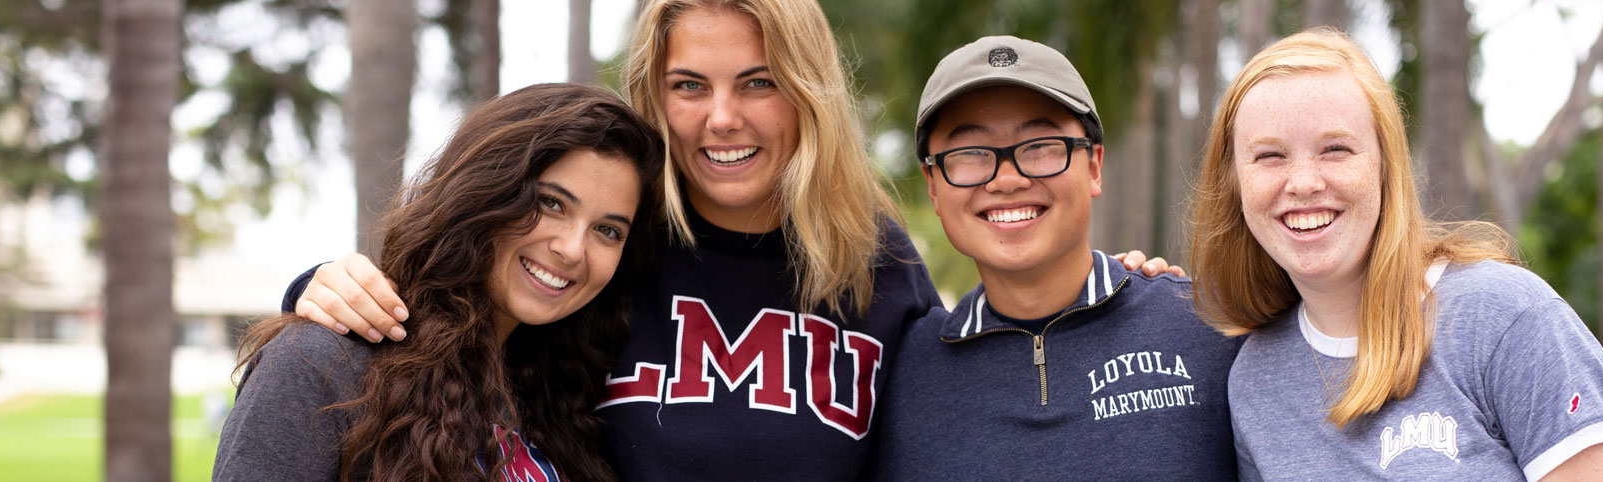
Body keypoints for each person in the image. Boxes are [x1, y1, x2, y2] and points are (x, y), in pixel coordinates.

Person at [279, 2, 1175, 479]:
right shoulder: (610, 251)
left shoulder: (877, 263)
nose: (722, 119)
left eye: (758, 82)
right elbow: (452, 341)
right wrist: (320, 289)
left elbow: (972, 390)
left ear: (808, 92)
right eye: (688, 85)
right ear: (653, 95)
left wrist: (1122, 298)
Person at [1187, 28, 1603, 480]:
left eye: (1336, 149)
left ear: (1386, 165)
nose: (1303, 183)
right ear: (1234, 182)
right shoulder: (1254, 382)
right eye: (1269, 156)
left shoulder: (1504, 318)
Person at [213, 83, 665, 481]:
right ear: (485, 192)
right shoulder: (323, 364)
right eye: (550, 203)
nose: (572, 249)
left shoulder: (562, 396)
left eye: (608, 230)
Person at [870, 36, 1240, 481]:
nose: (1007, 180)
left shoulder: (1213, 326)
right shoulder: (896, 376)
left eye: (1040, 146)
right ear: (933, 185)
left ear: (1093, 166)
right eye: (970, 154)